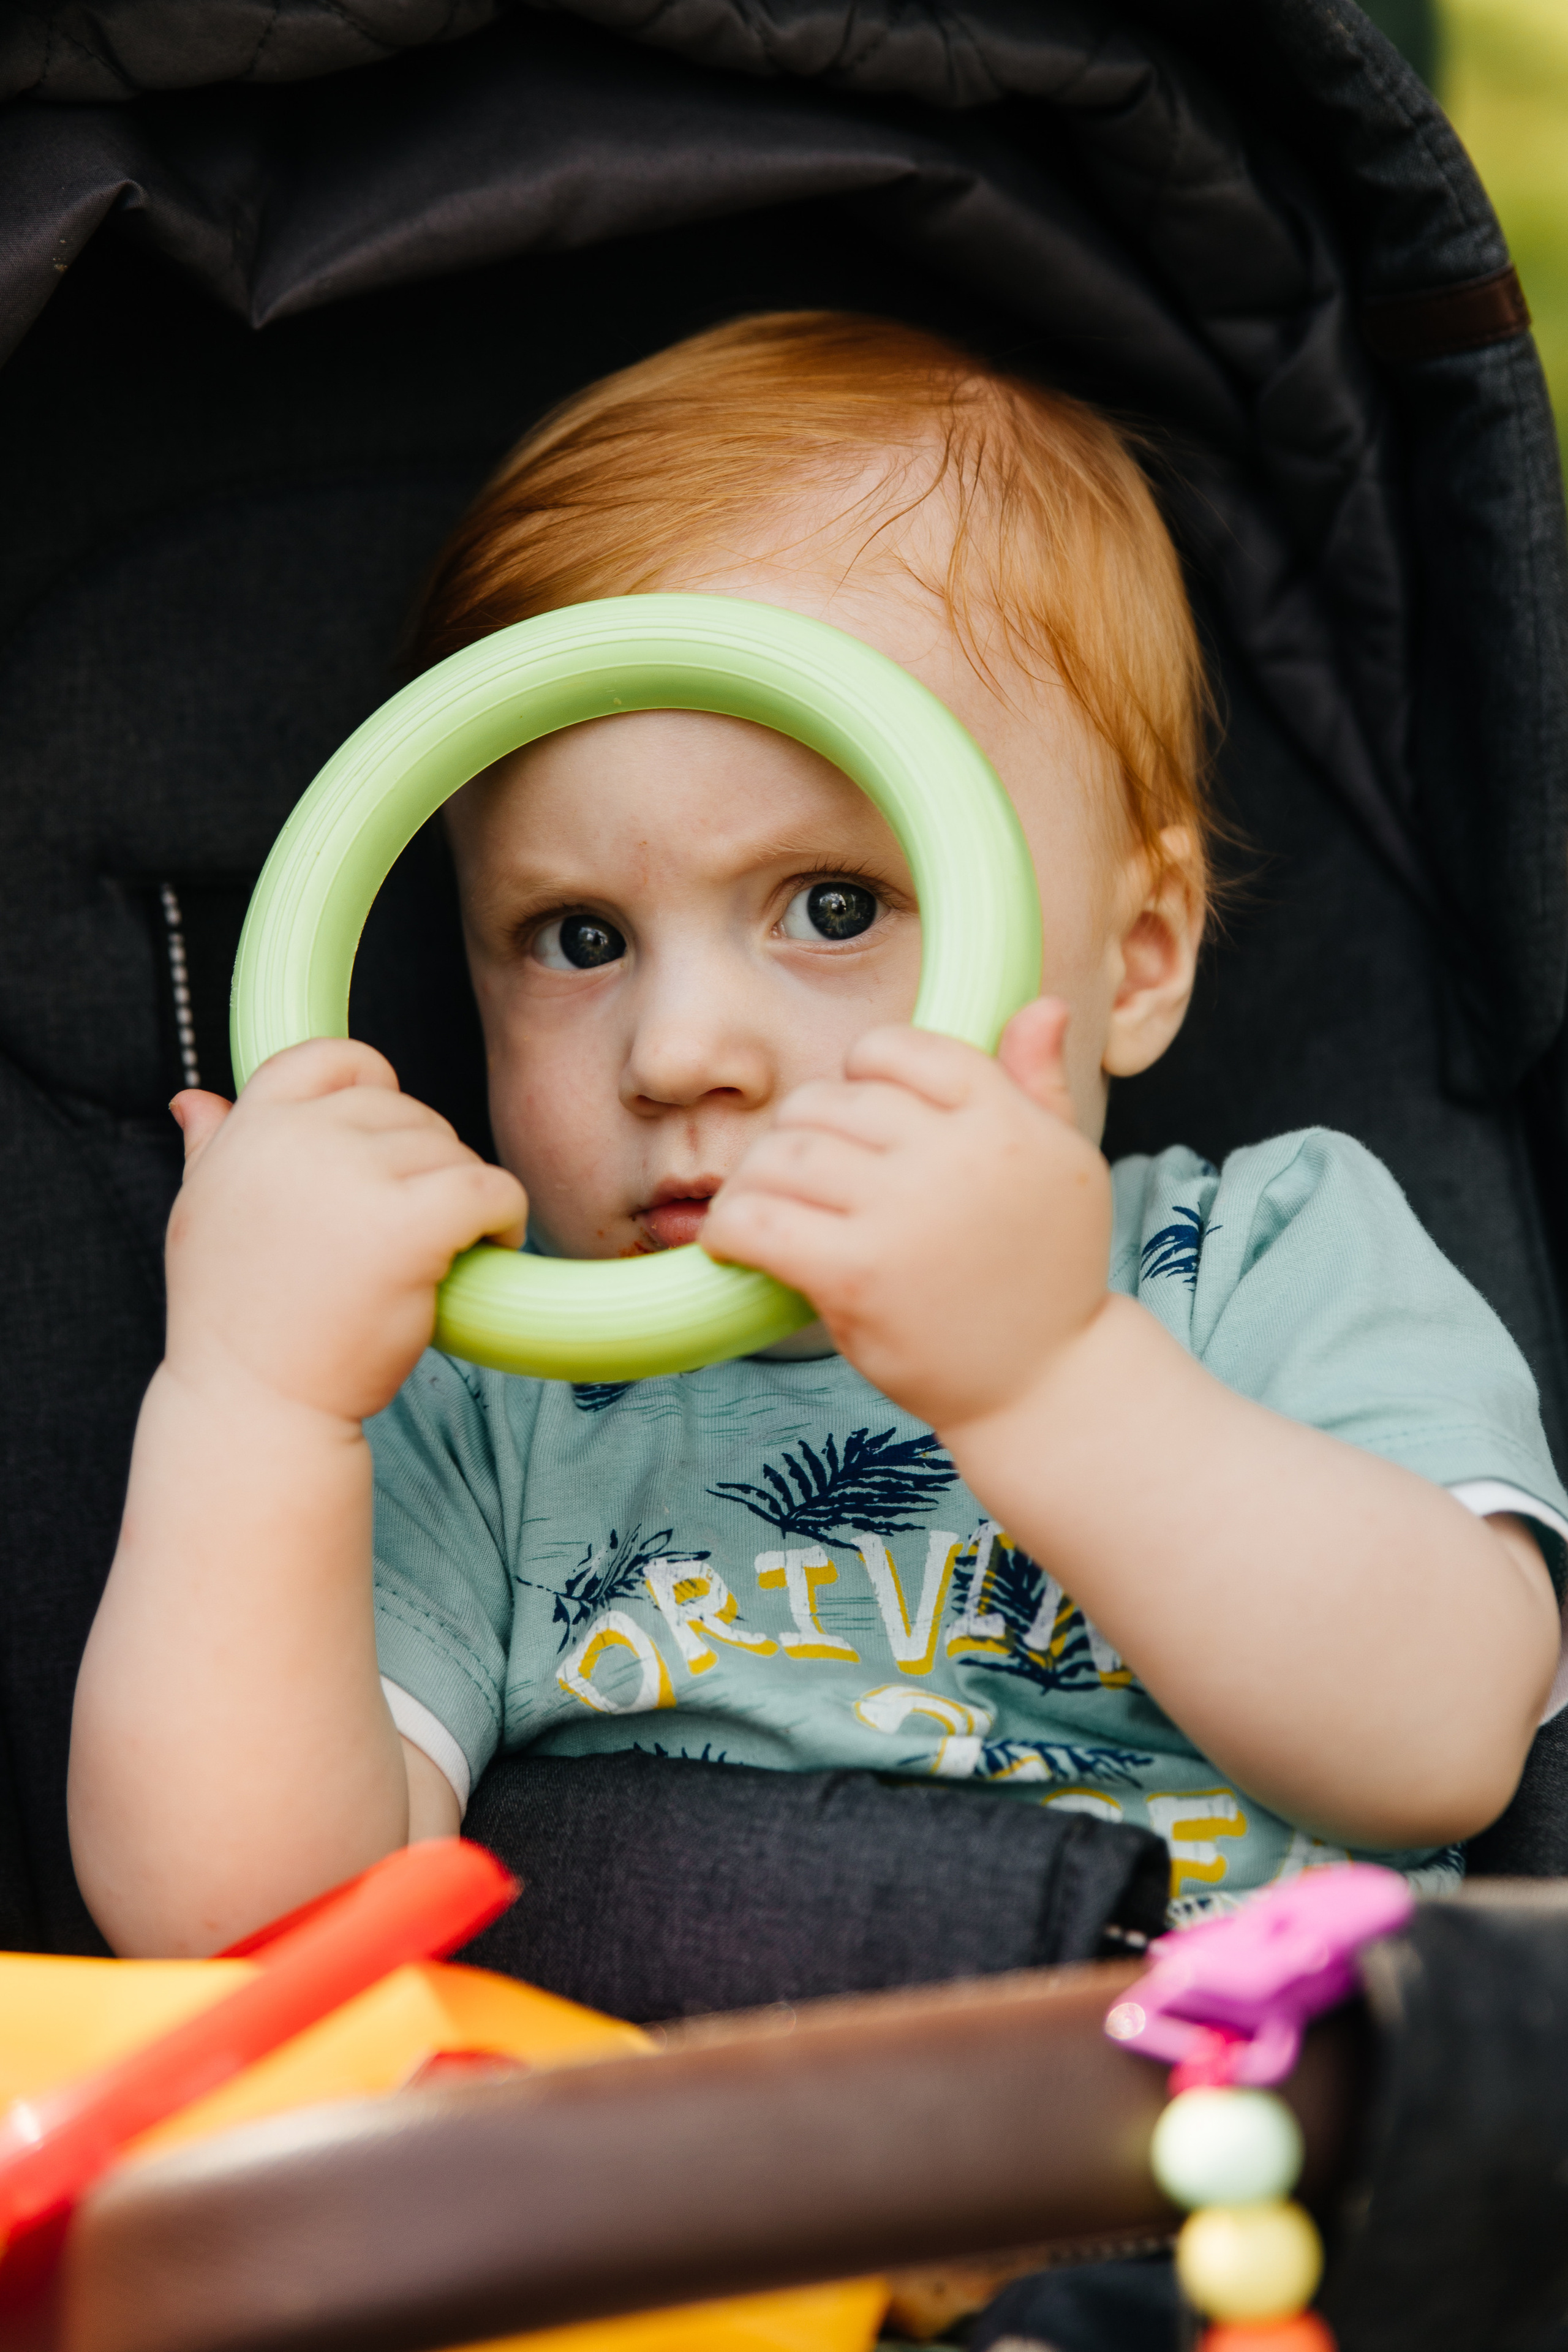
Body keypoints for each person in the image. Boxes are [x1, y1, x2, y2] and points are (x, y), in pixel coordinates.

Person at [68, 313, 1568, 1959]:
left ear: (1137, 958)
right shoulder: (471, 1405)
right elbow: (243, 1936)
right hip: (669, 2191)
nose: (678, 1051)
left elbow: (1444, 1742)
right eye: (578, 936)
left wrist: (1048, 1375)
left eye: (834, 906)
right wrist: (252, 1407)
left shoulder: (1263, 1257)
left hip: (1211, 2187)